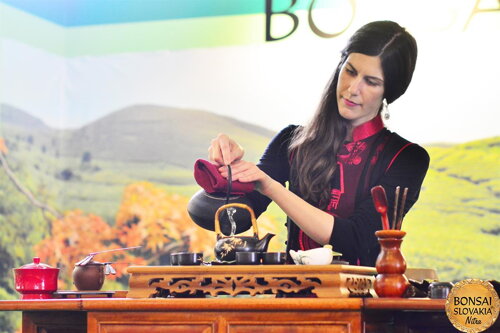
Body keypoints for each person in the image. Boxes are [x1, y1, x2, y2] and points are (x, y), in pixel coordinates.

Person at [207, 21, 429, 266]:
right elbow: (230, 222)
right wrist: (228, 172)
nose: (353, 89)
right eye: (351, 71)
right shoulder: (290, 142)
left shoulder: (407, 158)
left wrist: (270, 186)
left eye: (372, 82)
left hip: (365, 300)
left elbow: (358, 239)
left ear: (390, 90)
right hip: (293, 300)